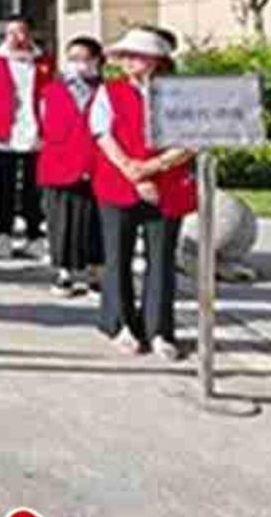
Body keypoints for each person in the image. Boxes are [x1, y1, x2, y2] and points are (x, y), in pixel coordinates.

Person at [91, 27, 197, 361]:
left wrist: (153, 168)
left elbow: (191, 140)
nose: (126, 61)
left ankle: (160, 329)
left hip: (167, 185)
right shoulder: (109, 92)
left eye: (134, 55)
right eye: (123, 55)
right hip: (118, 182)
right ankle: (120, 324)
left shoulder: (179, 95)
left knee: (162, 260)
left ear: (154, 60)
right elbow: (102, 134)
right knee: (117, 257)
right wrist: (132, 171)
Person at [0, 14, 50, 259]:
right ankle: (4, 235)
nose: (17, 37)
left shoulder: (43, 63)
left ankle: (34, 236)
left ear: (29, 34)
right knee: (4, 187)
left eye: (21, 32)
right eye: (11, 33)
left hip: (36, 135)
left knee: (34, 188)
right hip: (3, 134)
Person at [38, 36, 107, 297]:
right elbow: (44, 126)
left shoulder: (107, 92)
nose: (79, 64)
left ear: (97, 61)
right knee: (62, 222)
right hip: (59, 166)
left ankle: (95, 273)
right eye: (73, 59)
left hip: (98, 166)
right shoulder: (52, 91)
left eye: (85, 59)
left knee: (95, 223)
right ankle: (64, 273)